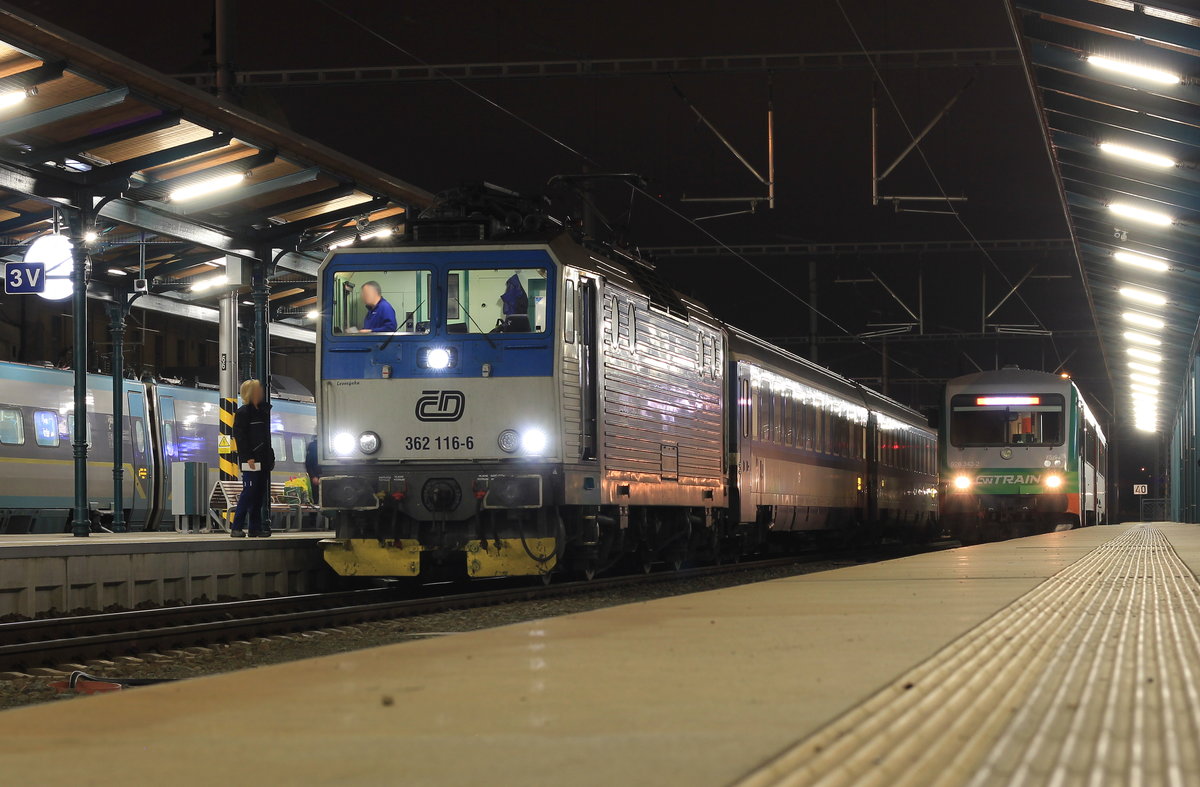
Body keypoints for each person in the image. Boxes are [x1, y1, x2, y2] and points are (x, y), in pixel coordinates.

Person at [230, 378, 275, 538]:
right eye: (257, 390)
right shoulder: (243, 413)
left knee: (259, 495)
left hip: (263, 460)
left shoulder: (262, 412)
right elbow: (240, 437)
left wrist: (270, 457)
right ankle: (236, 527)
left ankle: (254, 528)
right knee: (248, 493)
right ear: (250, 393)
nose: (260, 392)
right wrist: (248, 457)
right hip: (251, 461)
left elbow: (266, 438)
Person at [304, 435, 320, 505]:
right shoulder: (313, 446)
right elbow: (308, 464)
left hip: (326, 475)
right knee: (316, 497)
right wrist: (313, 476)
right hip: (316, 476)